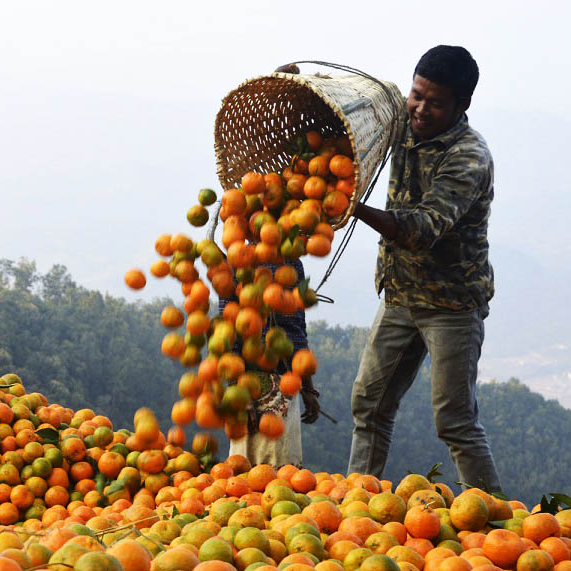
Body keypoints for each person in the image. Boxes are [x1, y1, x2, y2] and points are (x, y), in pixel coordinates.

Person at [286, 47, 502, 491]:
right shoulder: (401, 119)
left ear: (461, 106)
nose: (420, 108)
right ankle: (357, 502)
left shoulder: (468, 157)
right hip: (401, 293)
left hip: (451, 304)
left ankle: (494, 523)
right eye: (416, 95)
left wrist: (353, 207)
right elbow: (342, 118)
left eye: (435, 102)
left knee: (455, 420)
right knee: (369, 404)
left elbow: (422, 228)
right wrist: (297, 87)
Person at [215, 258, 321, 466]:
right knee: (244, 477)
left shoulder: (292, 264)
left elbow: (297, 329)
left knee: (284, 478)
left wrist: (308, 387)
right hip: (248, 384)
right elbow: (228, 335)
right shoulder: (236, 263)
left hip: (286, 385)